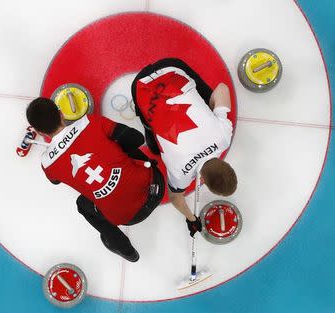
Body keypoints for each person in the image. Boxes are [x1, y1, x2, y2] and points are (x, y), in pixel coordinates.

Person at [26, 97, 165, 262]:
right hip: (156, 187)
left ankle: (125, 250)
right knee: (122, 146)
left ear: (40, 133)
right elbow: (137, 139)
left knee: (82, 205)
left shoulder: (47, 163)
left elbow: (55, 181)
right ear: (61, 114)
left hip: (127, 217)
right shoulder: (89, 122)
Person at [131, 58, 237, 237]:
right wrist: (191, 218)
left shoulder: (224, 137)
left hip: (172, 67)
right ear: (202, 180)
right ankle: (148, 126)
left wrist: (210, 111)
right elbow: (174, 197)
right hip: (140, 87)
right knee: (154, 139)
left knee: (210, 100)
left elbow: (222, 89)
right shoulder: (180, 173)